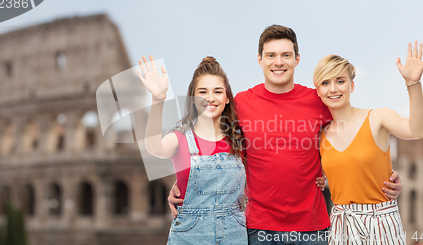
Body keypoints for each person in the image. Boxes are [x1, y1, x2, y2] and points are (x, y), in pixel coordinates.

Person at [169, 25, 404, 245]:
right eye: (271, 55)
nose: (278, 62)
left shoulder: (318, 100)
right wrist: (184, 182)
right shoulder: (241, 103)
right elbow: (214, 143)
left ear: (297, 59)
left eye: (286, 55)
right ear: (260, 60)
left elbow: (355, 135)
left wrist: (386, 172)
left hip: (312, 228)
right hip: (258, 228)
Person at [314, 41, 423, 244]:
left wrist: (413, 83)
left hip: (382, 222)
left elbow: (418, 130)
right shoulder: (319, 135)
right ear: (318, 90)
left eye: (340, 81)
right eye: (325, 83)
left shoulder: (378, 118)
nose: (333, 89)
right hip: (341, 224)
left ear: (352, 85)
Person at [138, 55, 247, 244]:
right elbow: (154, 147)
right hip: (189, 236)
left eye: (218, 91)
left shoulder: (239, 140)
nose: (210, 98)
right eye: (202, 92)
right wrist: (158, 99)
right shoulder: (179, 138)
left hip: (234, 234)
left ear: (228, 98)